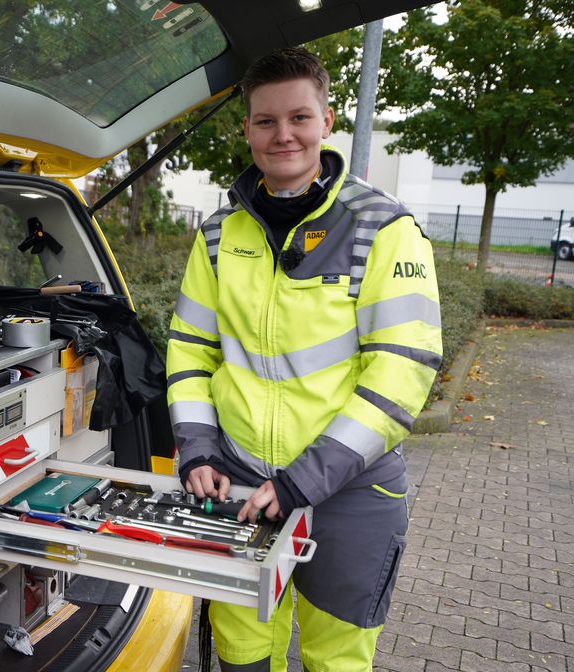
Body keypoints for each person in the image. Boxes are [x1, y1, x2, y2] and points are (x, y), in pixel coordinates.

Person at [166, 47, 442, 671]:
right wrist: (199, 448)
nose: (282, 134)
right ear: (247, 130)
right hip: (237, 483)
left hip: (349, 492)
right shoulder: (217, 233)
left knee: (336, 659)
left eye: (299, 118)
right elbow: (189, 348)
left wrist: (303, 481)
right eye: (265, 121)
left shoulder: (382, 226)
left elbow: (404, 370)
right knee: (240, 651)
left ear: (326, 120)